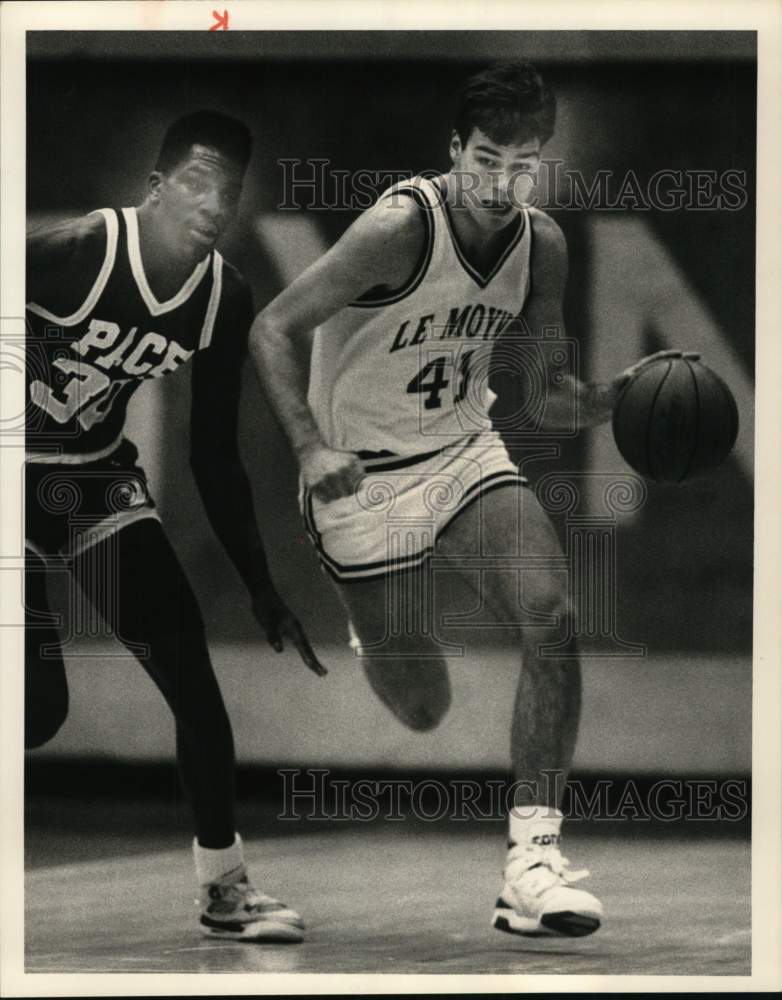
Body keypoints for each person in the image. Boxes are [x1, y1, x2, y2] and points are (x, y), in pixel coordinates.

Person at [249, 62, 690, 938]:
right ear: (455, 150)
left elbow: (547, 396)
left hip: (460, 452)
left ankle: (532, 864)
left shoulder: (541, 244)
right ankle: (374, 624)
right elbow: (273, 327)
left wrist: (617, 398)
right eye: (487, 159)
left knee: (552, 614)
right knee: (424, 709)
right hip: (361, 477)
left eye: (522, 165)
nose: (501, 182)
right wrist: (310, 446)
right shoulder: (397, 230)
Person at [25, 110, 326, 943]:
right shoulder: (77, 251)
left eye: (228, 192)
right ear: (155, 186)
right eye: (196, 182)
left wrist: (262, 587)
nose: (212, 203)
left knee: (190, 670)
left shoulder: (223, 297)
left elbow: (214, 456)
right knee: (38, 710)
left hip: (93, 481)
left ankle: (225, 888)